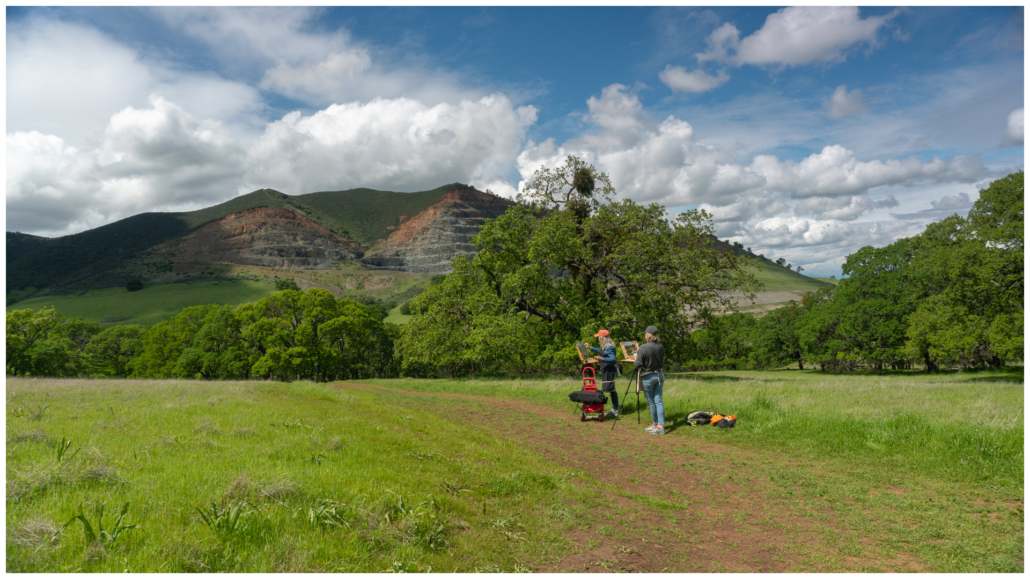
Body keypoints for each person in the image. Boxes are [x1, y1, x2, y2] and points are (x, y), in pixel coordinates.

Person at [633, 325, 666, 435]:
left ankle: (655, 424)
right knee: (658, 400)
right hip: (659, 375)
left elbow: (638, 364)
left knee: (651, 401)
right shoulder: (661, 346)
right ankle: (660, 426)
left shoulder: (643, 347)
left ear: (647, 335)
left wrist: (635, 357)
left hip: (648, 376)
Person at [586, 330, 620, 418]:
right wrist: (590, 347)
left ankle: (614, 410)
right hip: (607, 369)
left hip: (609, 370)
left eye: (599, 337)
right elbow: (601, 351)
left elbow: (613, 359)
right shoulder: (607, 346)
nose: (598, 339)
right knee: (611, 389)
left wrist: (601, 359)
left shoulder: (609, 347)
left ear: (602, 338)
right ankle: (614, 408)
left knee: (611, 389)